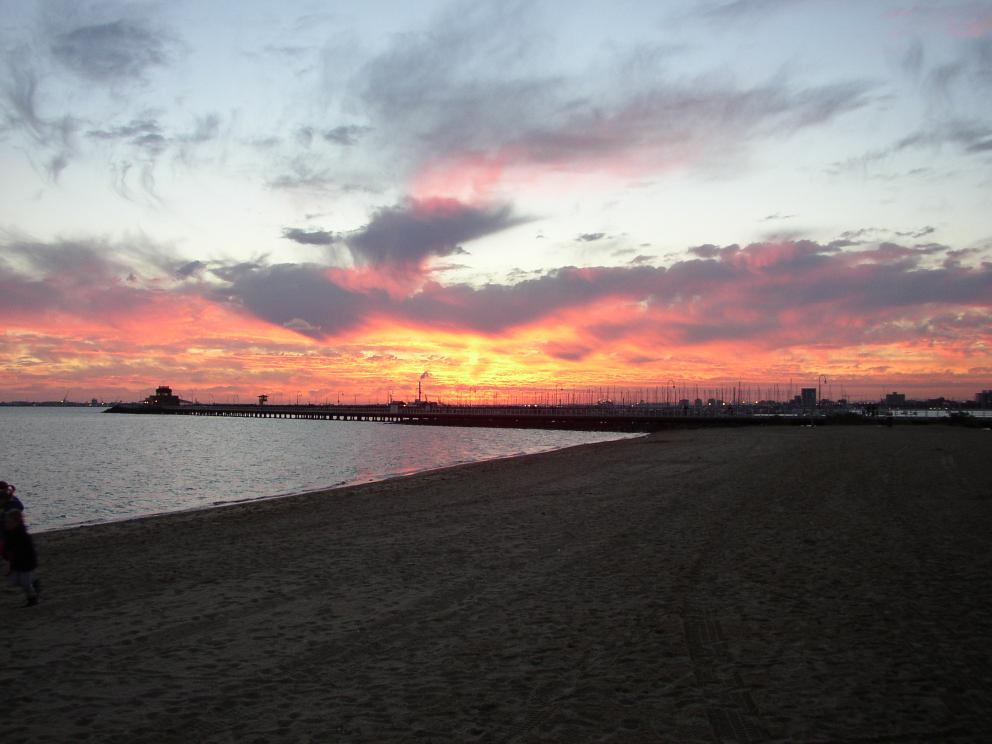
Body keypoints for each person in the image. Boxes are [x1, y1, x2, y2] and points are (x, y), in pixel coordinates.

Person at [2, 510, 39, 607]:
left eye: (9, 522)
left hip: (26, 562)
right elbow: (7, 549)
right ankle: (34, 582)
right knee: (14, 581)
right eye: (6, 522)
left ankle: (32, 598)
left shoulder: (23, 535)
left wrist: (30, 562)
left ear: (17, 522)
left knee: (25, 582)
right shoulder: (8, 534)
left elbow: (30, 551)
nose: (7, 524)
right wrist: (7, 559)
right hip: (16, 562)